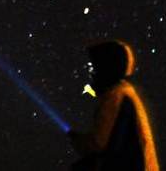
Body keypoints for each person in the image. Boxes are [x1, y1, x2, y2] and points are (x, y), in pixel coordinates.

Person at [68, 39, 159, 171]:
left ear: (107, 68)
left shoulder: (116, 96)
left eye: (95, 67)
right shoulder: (124, 93)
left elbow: (98, 144)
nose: (92, 73)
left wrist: (78, 141)